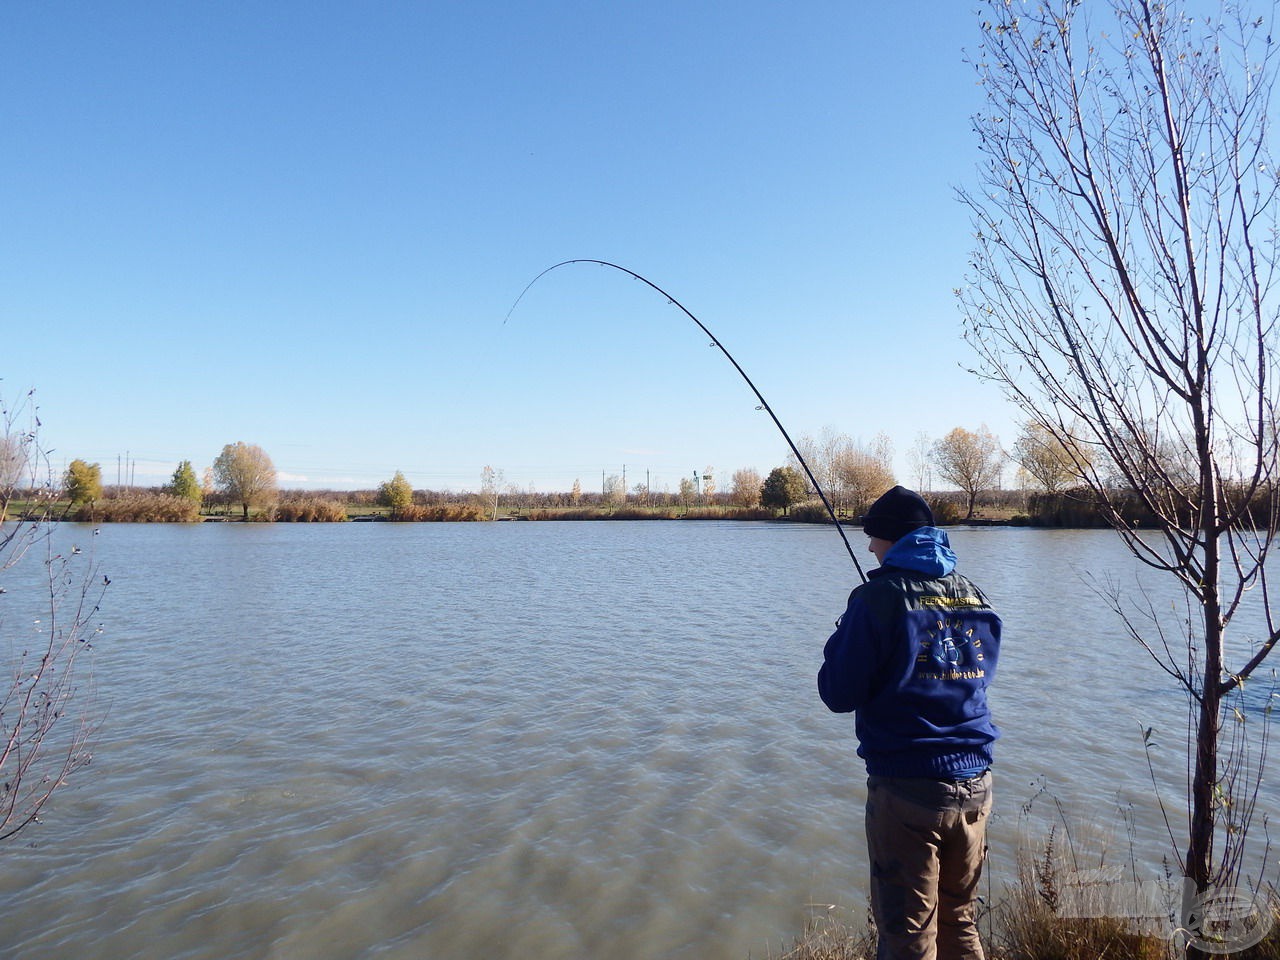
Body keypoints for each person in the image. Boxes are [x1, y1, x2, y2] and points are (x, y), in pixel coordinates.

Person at [818, 485, 1002, 960]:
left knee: (907, 935)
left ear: (892, 541)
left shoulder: (876, 597)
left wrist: (844, 632)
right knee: (959, 919)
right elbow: (976, 680)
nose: (868, 546)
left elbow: (837, 693)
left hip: (908, 788)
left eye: (873, 537)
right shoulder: (976, 595)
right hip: (976, 783)